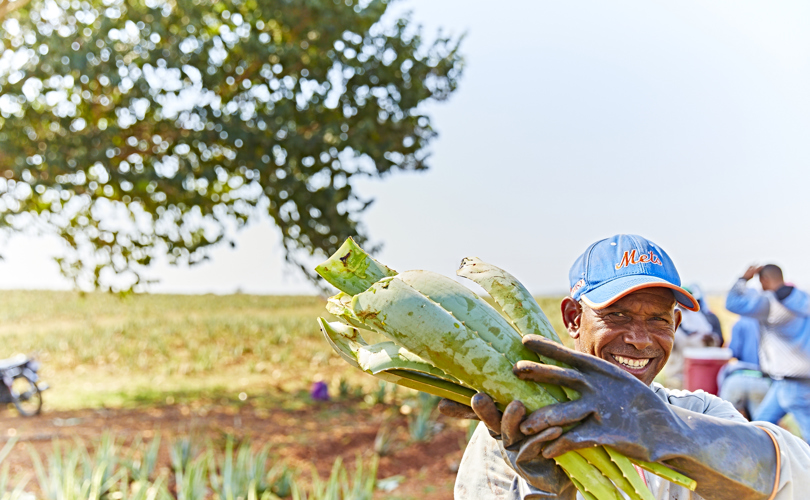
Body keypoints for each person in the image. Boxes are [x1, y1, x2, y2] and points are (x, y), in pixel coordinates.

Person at [440, 235, 809, 500]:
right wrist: (548, 493)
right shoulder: (516, 436)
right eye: (616, 315)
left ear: (676, 326)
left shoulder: (699, 413)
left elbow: (794, 477)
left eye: (658, 320)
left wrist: (667, 433)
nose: (641, 339)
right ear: (572, 318)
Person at [726, 264, 810, 441]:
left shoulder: (770, 304)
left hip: (792, 383)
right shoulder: (803, 298)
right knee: (759, 428)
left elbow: (732, 303)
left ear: (765, 280)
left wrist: (743, 279)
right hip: (789, 381)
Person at [717, 317, 771, 419]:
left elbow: (733, 351)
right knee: (761, 426)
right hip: (762, 378)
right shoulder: (770, 323)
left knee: (724, 422)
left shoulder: (741, 322)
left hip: (737, 377)